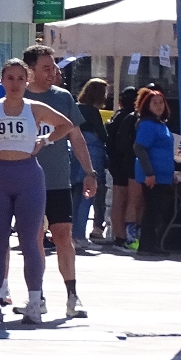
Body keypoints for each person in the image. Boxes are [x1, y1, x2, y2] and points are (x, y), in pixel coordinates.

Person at [0, 58, 80, 325]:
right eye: (10, 78)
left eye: (21, 79)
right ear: (2, 80)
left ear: (27, 81)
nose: (15, 84)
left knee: (30, 241)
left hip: (28, 177)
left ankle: (34, 303)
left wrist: (45, 140)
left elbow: (66, 124)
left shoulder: (35, 108)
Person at [21, 45, 97, 319]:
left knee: (63, 235)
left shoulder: (63, 97)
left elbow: (76, 137)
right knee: (34, 239)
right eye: (46, 68)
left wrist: (90, 172)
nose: (52, 72)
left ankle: (72, 296)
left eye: (53, 67)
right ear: (30, 70)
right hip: (26, 181)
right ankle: (36, 296)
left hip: (57, 180)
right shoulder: (19, 98)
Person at [131, 86, 176, 258]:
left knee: (156, 211)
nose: (158, 106)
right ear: (147, 106)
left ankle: (152, 243)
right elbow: (139, 148)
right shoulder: (148, 125)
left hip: (163, 175)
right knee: (152, 210)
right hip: (153, 176)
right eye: (154, 103)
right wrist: (149, 173)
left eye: (161, 102)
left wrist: (171, 173)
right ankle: (147, 245)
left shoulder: (161, 125)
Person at [74, 79, 110, 243]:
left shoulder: (76, 107)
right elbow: (103, 135)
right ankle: (80, 235)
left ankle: (74, 233)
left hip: (74, 152)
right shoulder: (92, 111)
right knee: (88, 195)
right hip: (93, 153)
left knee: (76, 195)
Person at [105, 86, 140, 246]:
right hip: (124, 162)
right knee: (124, 201)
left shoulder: (117, 116)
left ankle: (119, 235)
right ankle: (121, 237)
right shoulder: (131, 118)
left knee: (118, 201)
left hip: (115, 161)